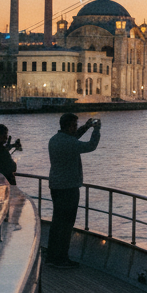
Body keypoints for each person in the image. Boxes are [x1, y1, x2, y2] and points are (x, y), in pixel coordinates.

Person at [45, 113, 101, 268]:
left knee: (57, 223)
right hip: (69, 187)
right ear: (69, 126)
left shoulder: (54, 140)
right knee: (66, 224)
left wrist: (86, 127)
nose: (76, 128)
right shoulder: (70, 142)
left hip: (56, 186)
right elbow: (91, 146)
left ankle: (51, 256)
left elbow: (73, 138)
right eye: (75, 125)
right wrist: (96, 130)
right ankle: (61, 259)